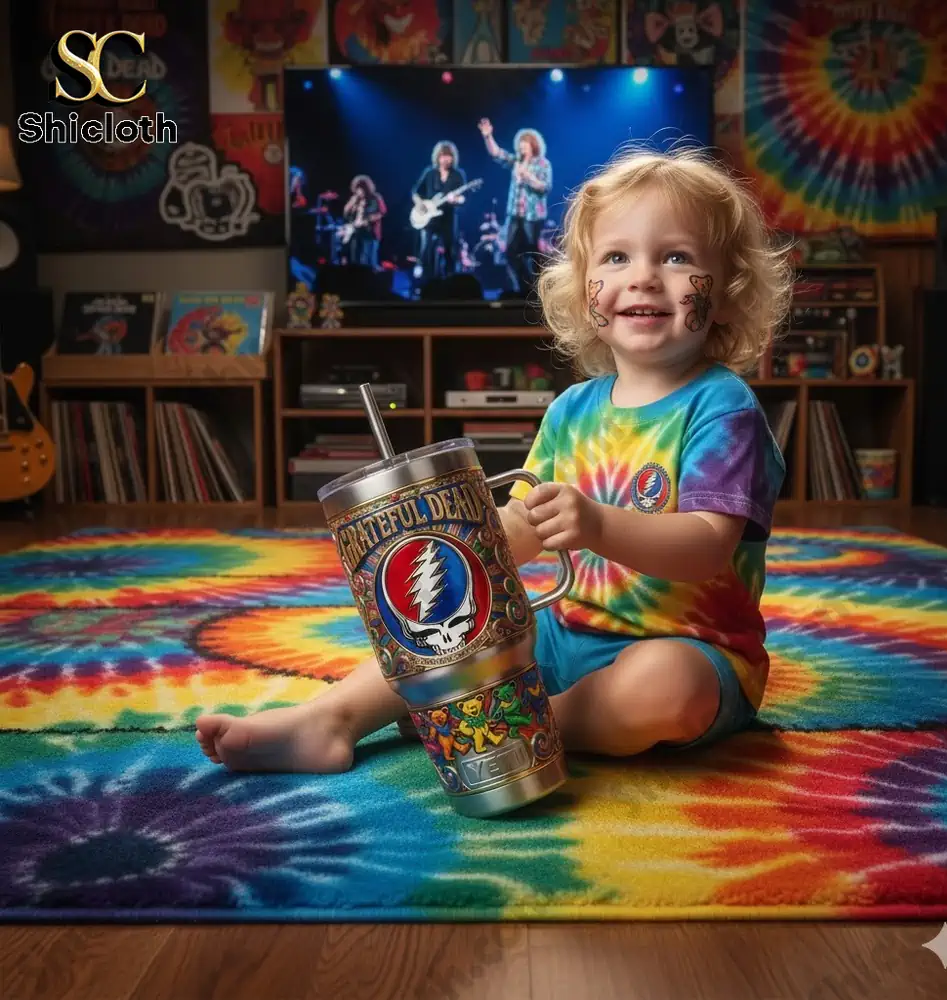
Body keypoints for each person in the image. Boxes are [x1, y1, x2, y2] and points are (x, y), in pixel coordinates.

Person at [194, 144, 794, 773]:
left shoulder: (724, 409)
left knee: (666, 689)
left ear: (726, 293)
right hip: (567, 636)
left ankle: (506, 723)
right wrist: (446, 554)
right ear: (584, 287)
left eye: (676, 257)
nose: (642, 276)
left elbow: (706, 547)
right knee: (453, 636)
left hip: (695, 648)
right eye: (616, 257)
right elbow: (520, 529)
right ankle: (330, 720)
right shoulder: (571, 411)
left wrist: (598, 524)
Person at [477, 117, 551, 294]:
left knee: (533, 253)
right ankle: (526, 289)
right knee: (510, 253)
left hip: (532, 216)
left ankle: (543, 290)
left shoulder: (543, 164)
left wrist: (528, 177)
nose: (522, 146)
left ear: (533, 145)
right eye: (520, 144)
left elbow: (545, 187)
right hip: (514, 215)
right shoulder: (516, 161)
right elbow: (497, 153)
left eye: (526, 143)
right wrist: (488, 136)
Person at [411, 141, 467, 281]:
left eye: (448, 156)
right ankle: (427, 279)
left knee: (450, 249)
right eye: (442, 156)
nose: (445, 159)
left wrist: (456, 200)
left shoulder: (458, 174)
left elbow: (463, 199)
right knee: (427, 249)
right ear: (437, 157)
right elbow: (416, 192)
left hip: (448, 218)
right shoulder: (429, 173)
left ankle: (450, 278)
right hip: (429, 218)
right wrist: (419, 204)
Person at [341, 174, 386, 269]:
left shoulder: (375, 198)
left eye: (361, 188)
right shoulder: (355, 199)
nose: (359, 191)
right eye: (357, 189)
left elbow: (381, 212)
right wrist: (350, 205)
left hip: (370, 234)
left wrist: (367, 220)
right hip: (356, 234)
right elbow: (346, 214)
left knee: (368, 262)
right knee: (355, 261)